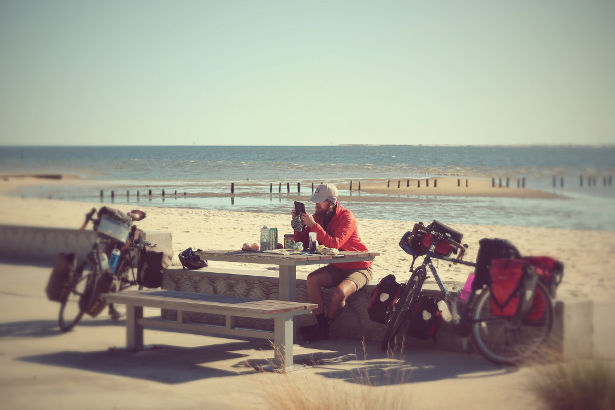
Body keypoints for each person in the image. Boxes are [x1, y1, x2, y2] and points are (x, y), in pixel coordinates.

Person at [292, 183, 373, 342]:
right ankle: (321, 327)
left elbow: (335, 243)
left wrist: (314, 226)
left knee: (340, 293)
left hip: (360, 266)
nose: (316, 204)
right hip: (338, 266)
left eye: (320, 201)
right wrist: (298, 225)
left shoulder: (347, 217)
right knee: (312, 279)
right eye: (315, 200)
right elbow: (303, 243)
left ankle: (323, 328)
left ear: (331, 202)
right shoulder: (319, 216)